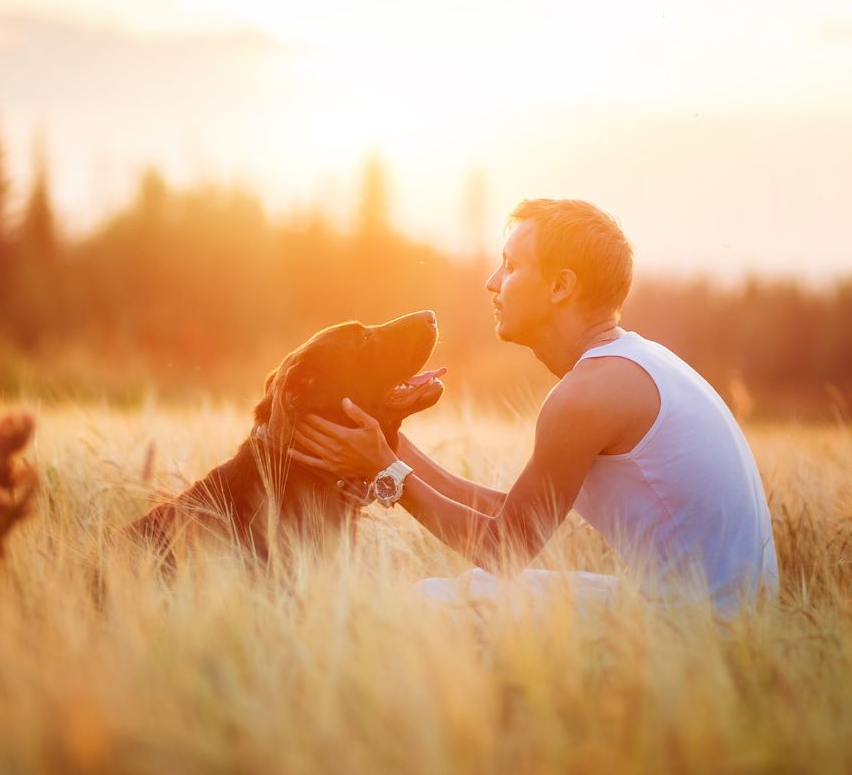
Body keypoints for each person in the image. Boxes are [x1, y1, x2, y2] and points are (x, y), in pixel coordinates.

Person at [291, 199, 779, 613]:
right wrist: (392, 447)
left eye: (510, 265)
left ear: (560, 286)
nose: (491, 281)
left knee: (421, 611)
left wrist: (387, 475)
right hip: (708, 608)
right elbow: (513, 515)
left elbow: (504, 548)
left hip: (699, 629)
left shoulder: (586, 396)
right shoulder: (630, 365)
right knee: (455, 597)